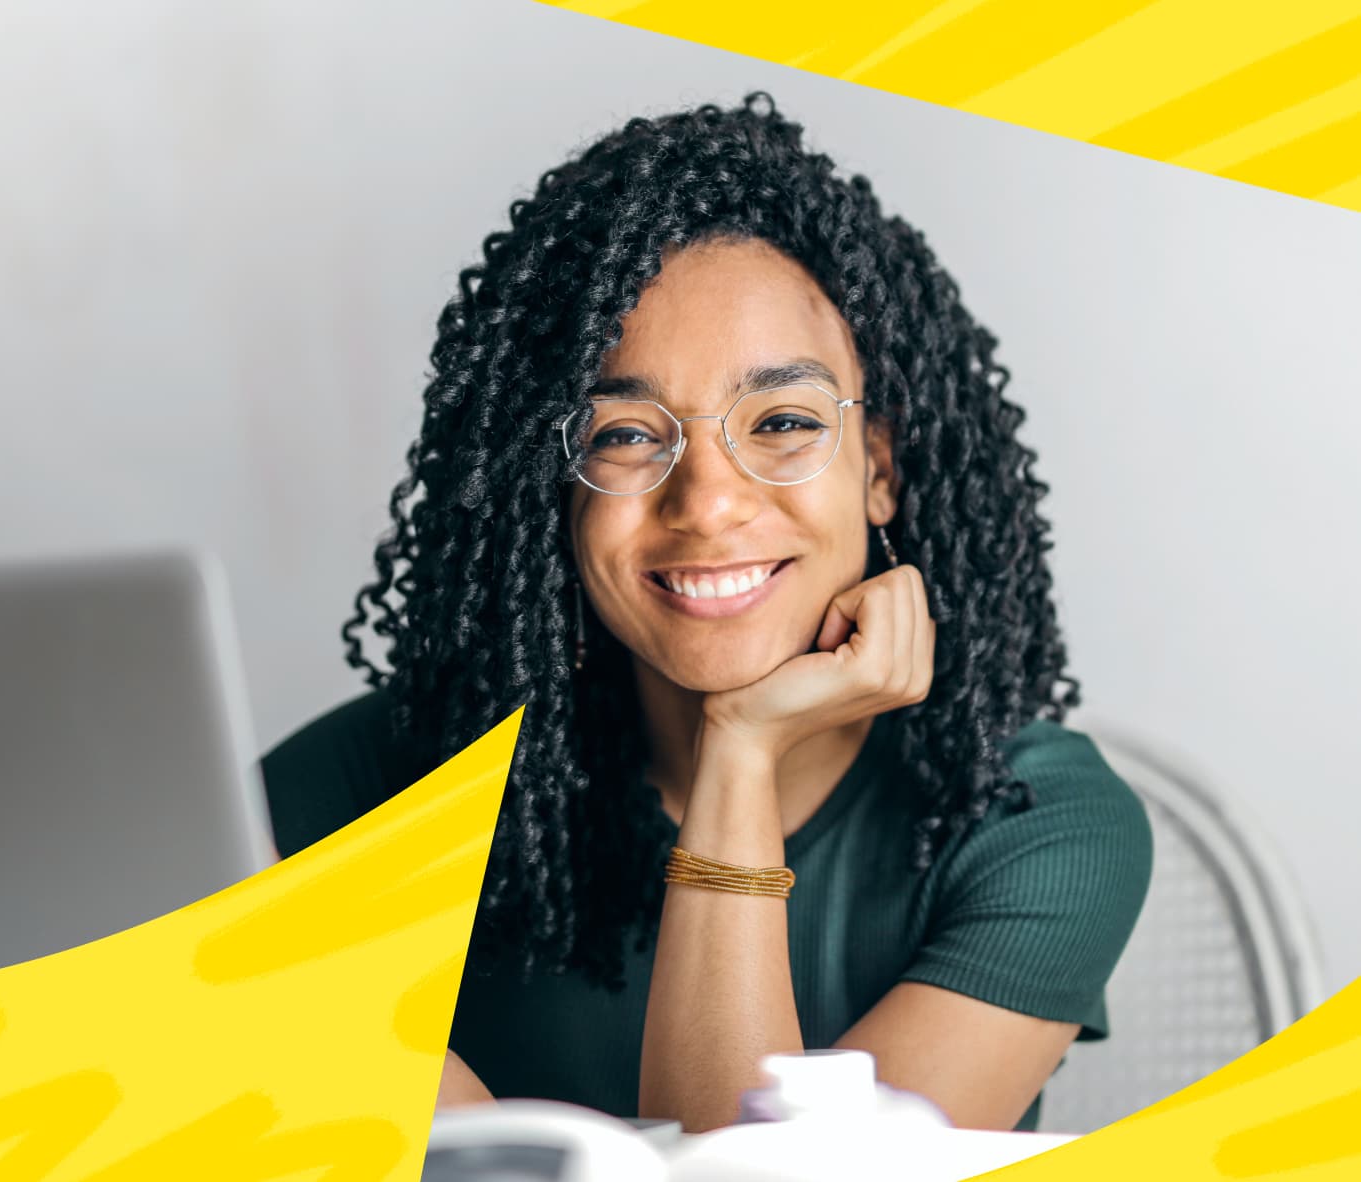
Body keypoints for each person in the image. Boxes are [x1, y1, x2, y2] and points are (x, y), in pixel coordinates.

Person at [261, 93, 1152, 1134]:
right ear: (548, 487)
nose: (709, 502)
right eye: (625, 436)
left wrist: (740, 751)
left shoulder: (1030, 823)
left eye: (780, 421)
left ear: (878, 468)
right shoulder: (371, 796)